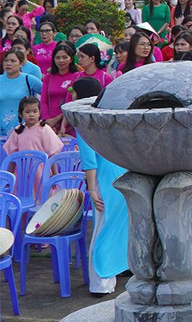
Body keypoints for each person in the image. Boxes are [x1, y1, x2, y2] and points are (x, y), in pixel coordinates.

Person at [73, 76, 128, 295]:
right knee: (120, 227)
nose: (72, 96)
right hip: (121, 175)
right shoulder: (109, 116)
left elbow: (89, 161)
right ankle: (123, 268)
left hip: (104, 179)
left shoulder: (84, 122)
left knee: (101, 229)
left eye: (75, 93)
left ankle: (101, 283)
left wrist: (92, 189)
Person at [0, 49, 41, 135]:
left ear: (21, 64)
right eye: (6, 60)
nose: (8, 63)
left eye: (13, 61)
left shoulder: (29, 79)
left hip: (24, 129)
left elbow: (47, 95)